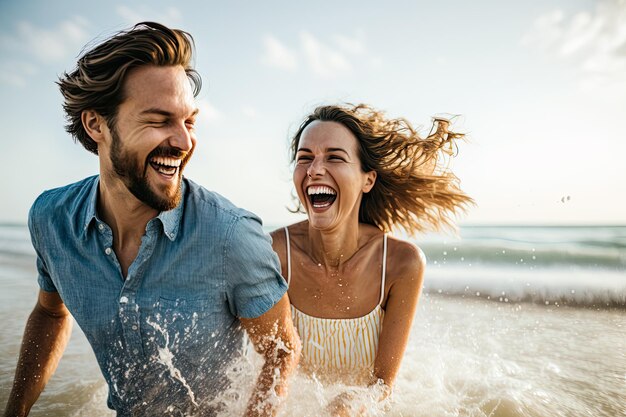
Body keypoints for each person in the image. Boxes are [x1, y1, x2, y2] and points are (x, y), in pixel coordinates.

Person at [4, 22, 299, 417]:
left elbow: (281, 351)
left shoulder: (232, 236)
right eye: (160, 120)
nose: (184, 141)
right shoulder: (51, 221)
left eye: (189, 121)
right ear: (96, 125)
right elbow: (49, 313)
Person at [270, 104, 472, 415]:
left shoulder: (401, 264)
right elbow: (272, 369)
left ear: (368, 180)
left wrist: (349, 403)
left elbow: (382, 386)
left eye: (334, 157)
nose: (314, 169)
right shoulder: (273, 254)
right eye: (304, 158)